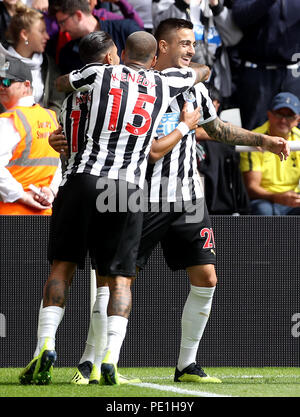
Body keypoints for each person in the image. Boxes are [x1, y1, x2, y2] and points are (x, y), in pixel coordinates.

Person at [48, 20, 290, 387]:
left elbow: (218, 128)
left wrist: (264, 141)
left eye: (194, 44)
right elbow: (136, 146)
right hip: (139, 196)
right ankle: (89, 361)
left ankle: (187, 364)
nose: (192, 50)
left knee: (206, 277)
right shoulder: (136, 87)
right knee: (116, 279)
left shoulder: (193, 88)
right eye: (185, 44)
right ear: (161, 47)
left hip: (188, 197)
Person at [19, 29, 209, 386]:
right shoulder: (163, 82)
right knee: (120, 278)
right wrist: (193, 89)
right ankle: (110, 357)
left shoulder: (97, 75)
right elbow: (200, 73)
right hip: (126, 188)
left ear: (120, 53)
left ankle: (45, 346)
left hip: (81, 180)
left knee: (62, 269)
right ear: (154, 59)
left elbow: (60, 83)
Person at [0, 54, 61, 215]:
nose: (1, 87)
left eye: (6, 82)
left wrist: (22, 196)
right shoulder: (50, 118)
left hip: (10, 214)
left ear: (26, 85)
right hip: (44, 212)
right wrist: (51, 191)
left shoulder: (9, 120)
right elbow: (58, 166)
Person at [152, 0, 243, 103]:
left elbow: (234, 38)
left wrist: (216, 7)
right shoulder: (169, 2)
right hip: (177, 83)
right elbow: (161, 30)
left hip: (215, 85)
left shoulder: (219, 4)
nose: (192, 51)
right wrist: (181, 4)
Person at [231, 0, 300, 130]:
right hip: (257, 73)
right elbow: (239, 17)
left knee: (295, 131)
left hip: (293, 73)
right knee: (256, 134)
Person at [240, 92, 300, 215]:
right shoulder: (255, 138)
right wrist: (278, 197)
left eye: (289, 116)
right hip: (264, 200)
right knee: (263, 210)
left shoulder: (299, 138)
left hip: (293, 199)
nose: (283, 120)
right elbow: (252, 188)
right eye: (279, 114)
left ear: (297, 120)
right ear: (269, 114)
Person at [0, 4, 64, 116]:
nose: (47, 36)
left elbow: (57, 101)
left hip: (41, 129)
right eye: (41, 31)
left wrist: (45, 121)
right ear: (24, 34)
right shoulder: (2, 62)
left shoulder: (48, 63)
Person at [48, 0, 142, 74]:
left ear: (78, 15)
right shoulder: (67, 54)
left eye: (63, 22)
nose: (62, 29)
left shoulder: (125, 30)